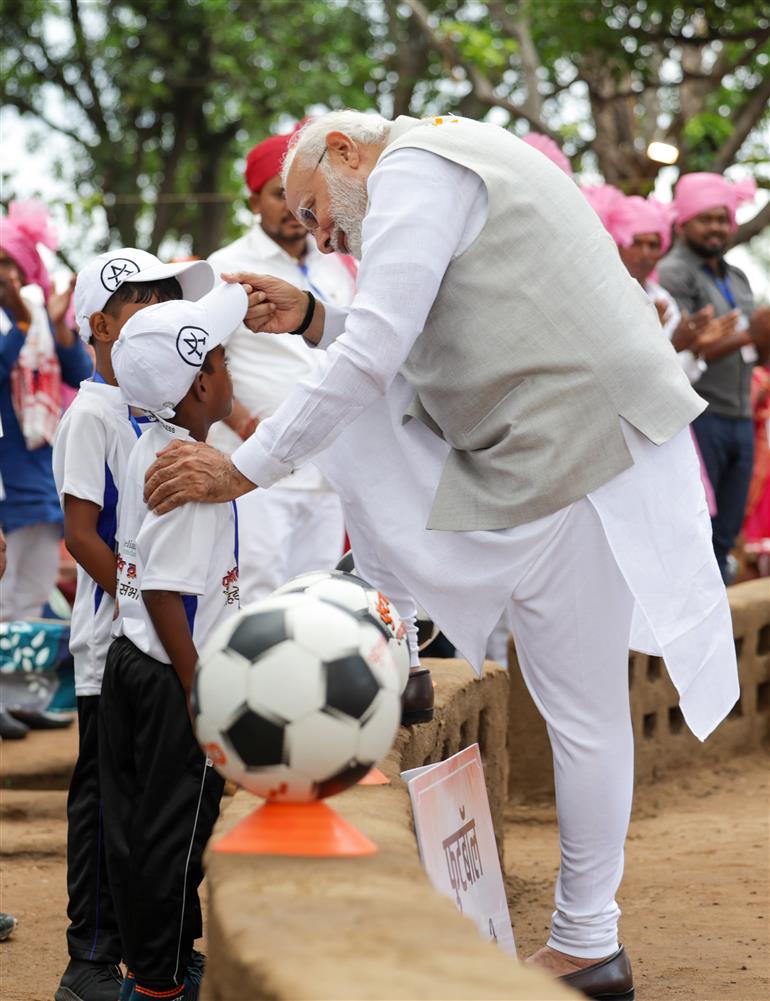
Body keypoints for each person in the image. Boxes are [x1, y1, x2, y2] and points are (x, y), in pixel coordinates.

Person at [143, 112, 740, 997]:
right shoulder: (440, 158)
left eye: (312, 211)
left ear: (344, 153)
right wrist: (312, 315)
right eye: (309, 227)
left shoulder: (415, 173)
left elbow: (379, 354)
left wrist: (242, 467)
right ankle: (585, 933)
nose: (320, 234)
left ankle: (588, 941)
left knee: (581, 712)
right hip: (568, 453)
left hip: (584, 455)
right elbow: (426, 332)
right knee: (580, 707)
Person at [52, 249, 214, 1001]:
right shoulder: (92, 411)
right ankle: (89, 953)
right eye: (137, 308)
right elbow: (81, 532)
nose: (152, 320)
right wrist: (136, 592)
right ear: (100, 326)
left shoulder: (150, 411)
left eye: (162, 307)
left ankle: (146, 945)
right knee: (102, 800)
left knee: (137, 801)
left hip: (139, 634)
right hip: (109, 641)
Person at [101, 282, 245, 1001]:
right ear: (196, 389)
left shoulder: (155, 440)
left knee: (136, 829)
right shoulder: (190, 477)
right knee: (177, 835)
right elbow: (164, 590)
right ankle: (158, 985)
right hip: (170, 669)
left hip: (132, 659)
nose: (229, 367)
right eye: (218, 358)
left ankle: (152, 964)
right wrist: (198, 690)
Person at [207, 131, 354, 603]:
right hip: (256, 464)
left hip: (330, 465)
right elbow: (203, 360)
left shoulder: (338, 263)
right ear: (254, 202)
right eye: (279, 196)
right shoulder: (227, 266)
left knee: (320, 595)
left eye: (303, 196)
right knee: (257, 587)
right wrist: (246, 424)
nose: (295, 210)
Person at [658, 172, 770, 582]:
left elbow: (753, 350)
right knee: (695, 530)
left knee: (726, 535)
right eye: (706, 219)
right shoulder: (673, 273)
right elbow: (685, 347)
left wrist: (763, 341)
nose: (716, 228)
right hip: (698, 416)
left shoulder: (737, 277)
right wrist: (750, 334)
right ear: (683, 222)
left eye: (722, 219)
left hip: (741, 416)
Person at [0, 202, 92, 623]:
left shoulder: (39, 319)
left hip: (38, 482)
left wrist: (57, 327)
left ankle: (18, 691)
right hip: (5, 485)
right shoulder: (19, 323)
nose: (6, 275)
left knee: (28, 606)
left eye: (11, 263)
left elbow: (80, 374)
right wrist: (17, 327)